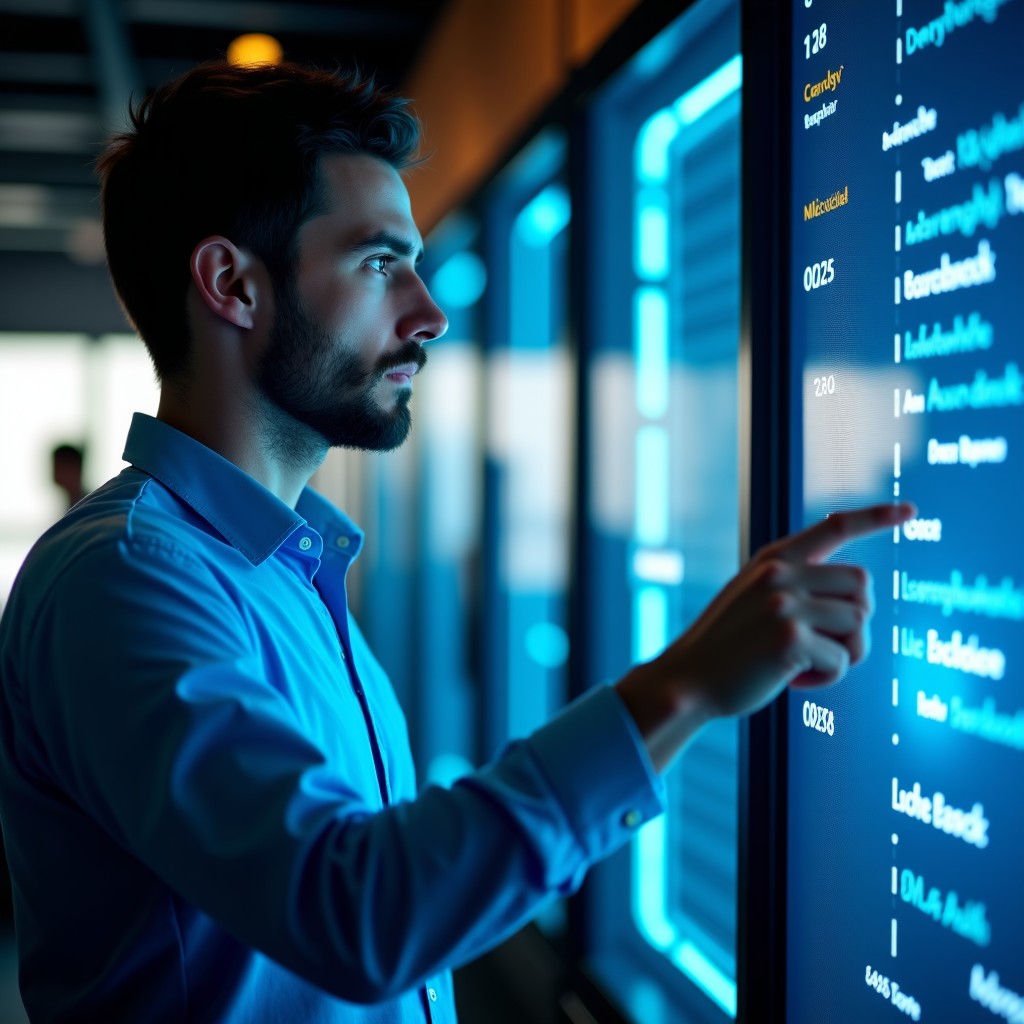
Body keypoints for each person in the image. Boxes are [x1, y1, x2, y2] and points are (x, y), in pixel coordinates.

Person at [0, 61, 913, 1023]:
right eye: (380, 262)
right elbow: (353, 912)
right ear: (232, 284)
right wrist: (682, 687)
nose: (429, 314)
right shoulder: (127, 577)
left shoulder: (280, 569)